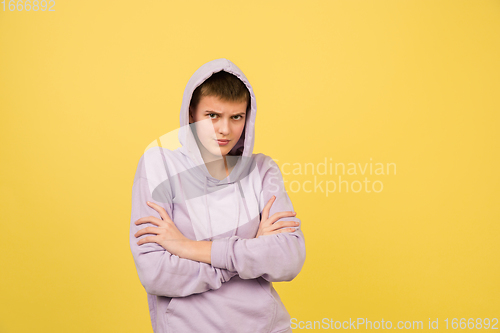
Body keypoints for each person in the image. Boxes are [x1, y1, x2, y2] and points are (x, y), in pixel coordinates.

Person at [129, 58, 306, 333]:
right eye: (212, 115)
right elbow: (156, 273)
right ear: (191, 114)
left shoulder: (262, 169)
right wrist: (249, 253)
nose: (225, 130)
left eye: (236, 117)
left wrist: (189, 247)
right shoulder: (159, 165)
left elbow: (288, 258)